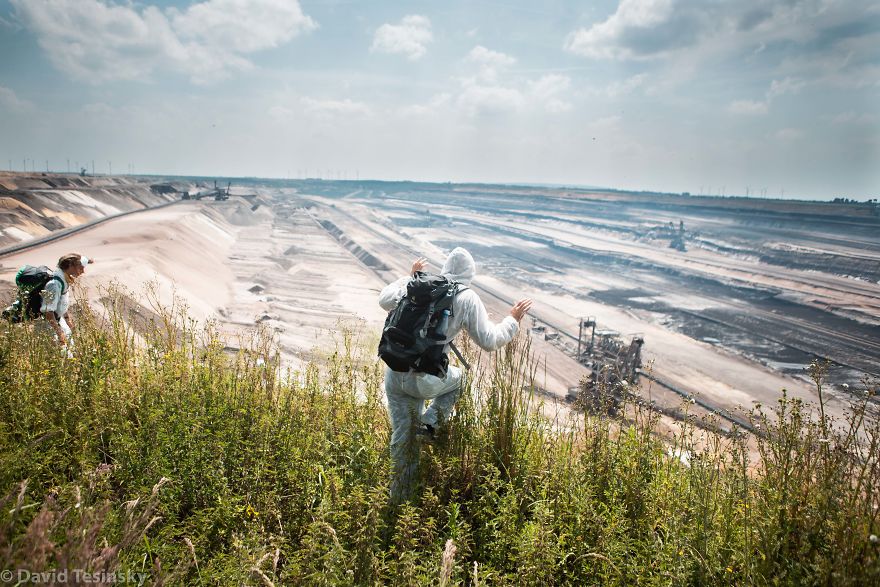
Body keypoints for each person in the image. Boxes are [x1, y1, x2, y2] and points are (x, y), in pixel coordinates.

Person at [379, 247, 532, 502]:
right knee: (461, 379)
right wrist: (513, 320)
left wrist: (410, 277)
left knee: (402, 440)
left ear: (444, 268)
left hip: (394, 372)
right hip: (425, 378)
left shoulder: (417, 284)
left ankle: (398, 503)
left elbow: (384, 300)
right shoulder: (466, 296)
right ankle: (430, 425)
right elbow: (489, 340)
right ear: (470, 274)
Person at [40, 253, 93, 350]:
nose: (82, 271)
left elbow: (61, 303)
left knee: (69, 354)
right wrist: (59, 333)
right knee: (61, 356)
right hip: (49, 326)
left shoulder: (63, 281)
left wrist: (67, 320)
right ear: (70, 266)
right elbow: (48, 311)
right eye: (80, 268)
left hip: (59, 322)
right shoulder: (54, 284)